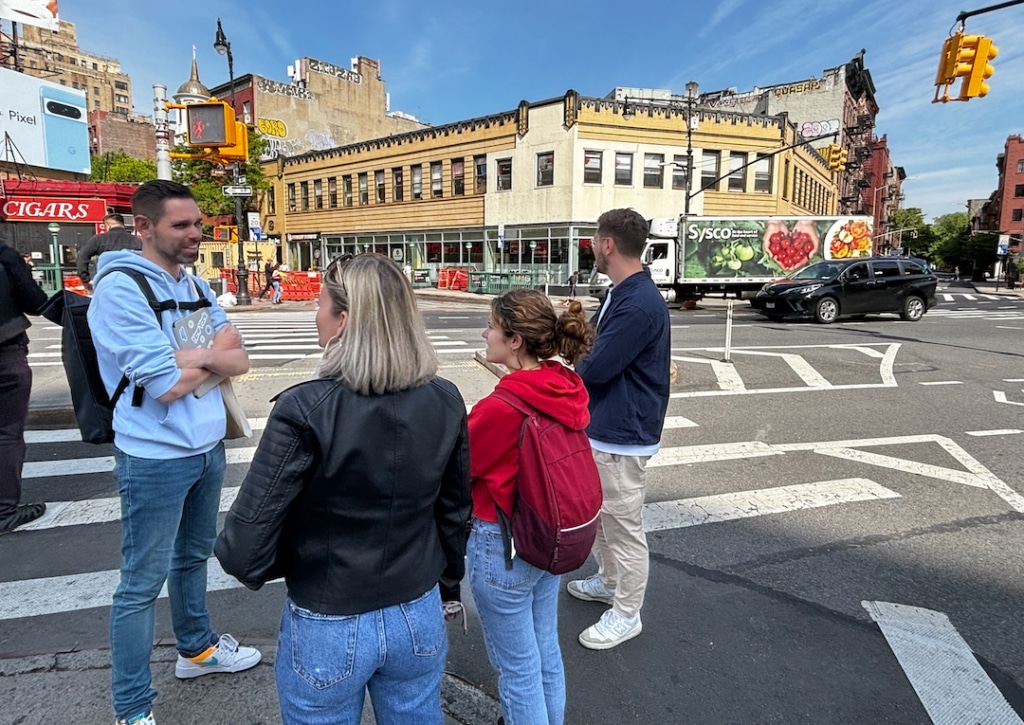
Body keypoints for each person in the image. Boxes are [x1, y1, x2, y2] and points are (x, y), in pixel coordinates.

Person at [216, 253, 471, 725]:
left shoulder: (305, 408)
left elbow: (243, 548)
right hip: (418, 606)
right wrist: (447, 584)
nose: (315, 315)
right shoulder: (446, 398)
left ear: (343, 320)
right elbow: (455, 512)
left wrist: (297, 561)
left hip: (328, 615)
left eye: (319, 305)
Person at [89, 180, 261, 725]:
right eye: (181, 225)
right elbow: (164, 385)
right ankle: (133, 708)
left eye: (197, 223)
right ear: (144, 227)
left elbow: (240, 357)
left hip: (207, 446)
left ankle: (197, 649)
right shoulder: (121, 289)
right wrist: (207, 359)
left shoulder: (191, 281)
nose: (196, 233)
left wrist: (200, 355)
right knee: (140, 582)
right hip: (154, 455)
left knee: (192, 557)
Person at [467, 289, 594, 725]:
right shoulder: (566, 388)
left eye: (492, 327)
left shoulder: (501, 407)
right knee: (544, 654)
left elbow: (460, 470)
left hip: (502, 545)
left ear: (515, 340)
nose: (485, 334)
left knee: (516, 671)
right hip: (545, 537)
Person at [567, 208, 670, 650]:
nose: (591, 244)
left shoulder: (639, 302)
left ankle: (627, 613)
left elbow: (597, 365)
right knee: (604, 520)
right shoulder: (622, 292)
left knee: (624, 527)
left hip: (623, 434)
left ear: (608, 244)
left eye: (593, 238)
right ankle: (609, 582)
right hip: (608, 427)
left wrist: (570, 361)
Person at [0, 240, 48, 535]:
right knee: (6, 432)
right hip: (5, 348)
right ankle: (4, 509)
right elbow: (36, 302)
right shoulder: (5, 256)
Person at [76, 213, 142, 291]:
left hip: (107, 281)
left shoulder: (99, 239)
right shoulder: (137, 241)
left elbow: (82, 256)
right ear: (123, 224)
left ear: (108, 225)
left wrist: (85, 280)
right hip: (133, 281)